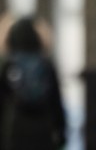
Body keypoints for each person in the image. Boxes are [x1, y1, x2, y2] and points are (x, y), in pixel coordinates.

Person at [0, 17, 66, 150]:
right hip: (44, 130)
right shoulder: (46, 64)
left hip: (15, 129)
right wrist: (61, 132)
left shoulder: (7, 65)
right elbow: (56, 102)